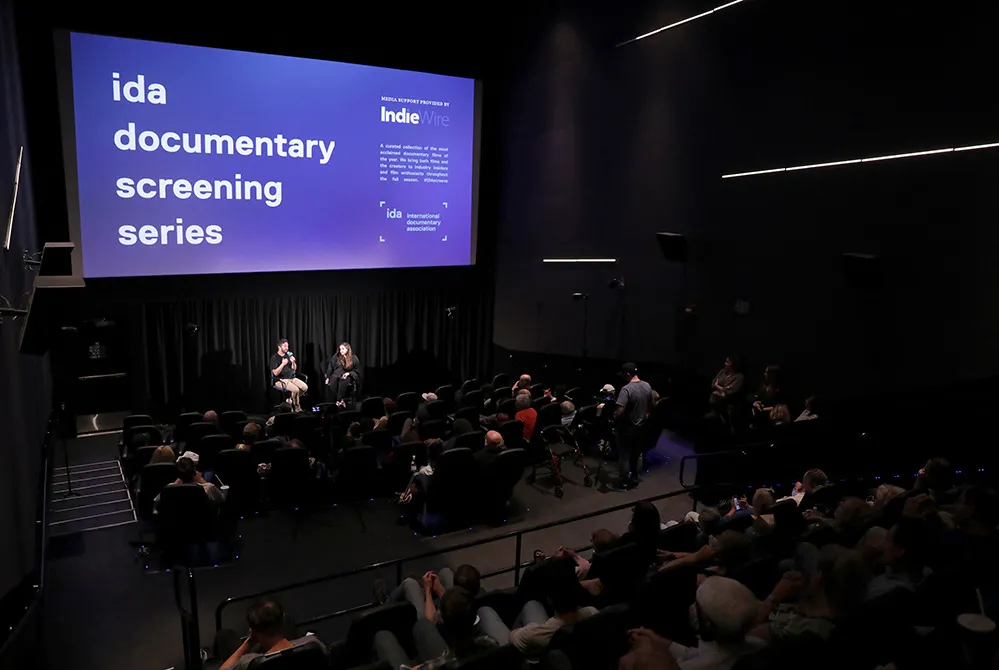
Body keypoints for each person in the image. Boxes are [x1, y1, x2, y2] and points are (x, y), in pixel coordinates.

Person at [621, 577, 765, 670]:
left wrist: (647, 650)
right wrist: (658, 640)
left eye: (697, 605)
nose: (692, 607)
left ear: (708, 624)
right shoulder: (758, 644)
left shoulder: (693, 667)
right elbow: (701, 653)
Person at [478, 560, 598, 656]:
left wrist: (531, 628)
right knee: (532, 604)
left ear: (550, 600)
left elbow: (513, 637)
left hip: (525, 656)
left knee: (484, 611)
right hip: (563, 650)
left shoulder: (533, 635)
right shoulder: (593, 613)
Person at [373, 586, 496, 670]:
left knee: (383, 637)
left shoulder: (438, 665)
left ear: (442, 627)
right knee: (422, 625)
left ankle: (383, 600)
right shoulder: (490, 643)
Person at [209, 597, 327, 670]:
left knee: (225, 636)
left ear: (253, 630)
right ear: (283, 621)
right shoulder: (312, 644)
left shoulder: (250, 662)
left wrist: (248, 643)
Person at [610, 362, 654, 491]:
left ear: (628, 375)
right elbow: (651, 405)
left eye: (624, 375)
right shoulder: (647, 385)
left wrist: (614, 417)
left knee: (624, 456)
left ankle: (623, 482)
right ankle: (635, 478)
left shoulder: (626, 389)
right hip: (641, 428)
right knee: (637, 454)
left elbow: (619, 412)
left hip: (627, 429)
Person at [269, 339, 307, 412]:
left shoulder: (288, 356)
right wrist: (283, 364)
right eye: (285, 346)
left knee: (304, 387)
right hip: (280, 380)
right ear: (279, 347)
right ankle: (297, 407)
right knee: (296, 390)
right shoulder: (274, 357)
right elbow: (275, 373)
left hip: (292, 378)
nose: (287, 348)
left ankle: (290, 400)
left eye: (287, 346)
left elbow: (294, 369)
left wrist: (293, 362)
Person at [325, 342, 361, 407]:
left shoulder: (353, 357)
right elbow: (330, 366)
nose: (341, 351)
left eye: (343, 349)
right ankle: (341, 401)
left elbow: (357, 369)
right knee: (333, 382)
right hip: (336, 374)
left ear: (347, 349)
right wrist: (328, 377)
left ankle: (338, 401)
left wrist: (349, 373)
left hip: (346, 374)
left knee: (343, 382)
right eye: (340, 349)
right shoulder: (336, 356)